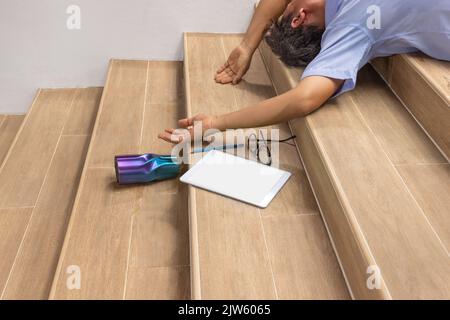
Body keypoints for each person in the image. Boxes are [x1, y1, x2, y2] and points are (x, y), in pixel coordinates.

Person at [159, 0, 450, 143]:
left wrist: (248, 45)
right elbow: (304, 98)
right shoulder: (351, 26)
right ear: (299, 17)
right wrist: (217, 122)